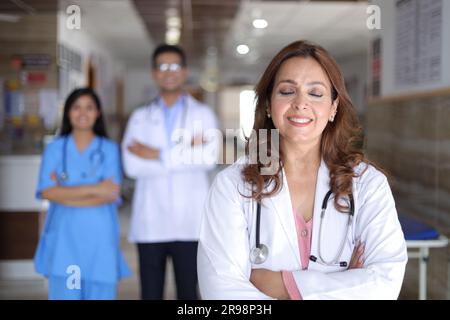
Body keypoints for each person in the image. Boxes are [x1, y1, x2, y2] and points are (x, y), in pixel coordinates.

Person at [197, 40, 408, 300]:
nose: (300, 103)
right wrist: (345, 284)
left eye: (316, 93)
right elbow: (221, 292)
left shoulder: (367, 184)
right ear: (267, 105)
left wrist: (283, 285)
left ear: (333, 107)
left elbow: (385, 284)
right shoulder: (232, 186)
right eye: (287, 91)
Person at [121, 44, 219, 300]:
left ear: (185, 71)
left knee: (190, 294)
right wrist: (186, 151)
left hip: (190, 223)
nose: (169, 72)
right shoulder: (140, 117)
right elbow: (132, 166)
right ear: (154, 73)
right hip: (150, 223)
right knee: (150, 293)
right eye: (162, 67)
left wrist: (156, 154)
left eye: (175, 66)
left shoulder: (203, 114)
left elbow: (208, 158)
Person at [34, 87, 131, 300]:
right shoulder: (54, 149)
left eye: (89, 107)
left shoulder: (109, 149)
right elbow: (47, 192)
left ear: (97, 113)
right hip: (64, 239)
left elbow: (111, 193)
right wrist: (96, 187)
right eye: (76, 107)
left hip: (99, 238)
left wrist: (64, 192)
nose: (83, 113)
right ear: (68, 112)